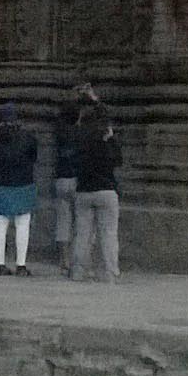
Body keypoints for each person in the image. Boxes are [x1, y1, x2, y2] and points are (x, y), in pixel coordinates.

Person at [69, 101, 124, 284]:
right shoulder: (105, 140)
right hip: (106, 190)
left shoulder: (79, 140)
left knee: (82, 234)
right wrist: (112, 139)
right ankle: (110, 272)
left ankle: (78, 271)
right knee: (108, 234)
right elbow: (118, 160)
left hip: (84, 191)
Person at [0, 102, 39, 277]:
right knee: (22, 224)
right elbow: (34, 157)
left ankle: (0, 264)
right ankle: (21, 265)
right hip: (23, 182)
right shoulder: (29, 136)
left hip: (0, 182)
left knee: (0, 224)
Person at [51, 86, 94, 275]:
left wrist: (72, 97)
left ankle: (64, 260)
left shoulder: (60, 131)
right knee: (83, 222)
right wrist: (89, 98)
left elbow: (62, 115)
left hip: (61, 179)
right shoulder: (82, 133)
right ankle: (83, 260)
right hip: (79, 180)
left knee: (63, 221)